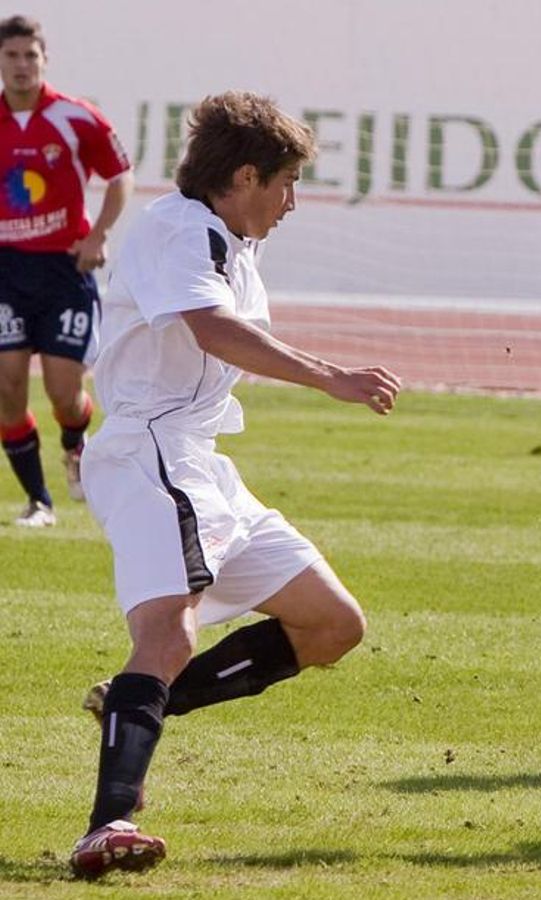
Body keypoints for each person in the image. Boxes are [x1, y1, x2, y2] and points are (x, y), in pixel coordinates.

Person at [67, 92, 402, 879]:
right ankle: (107, 822)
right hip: (151, 452)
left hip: (201, 462)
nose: (292, 201)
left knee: (331, 625)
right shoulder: (179, 230)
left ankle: (137, 705)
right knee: (170, 633)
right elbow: (209, 328)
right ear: (244, 174)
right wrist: (332, 378)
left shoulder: (226, 238)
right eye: (285, 182)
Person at [0, 14, 133, 527]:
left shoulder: (76, 118)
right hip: (6, 273)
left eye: (29, 55)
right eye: (11, 56)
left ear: (44, 59)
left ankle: (75, 446)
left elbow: (120, 175)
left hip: (62, 272)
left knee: (64, 391)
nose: (21, 66)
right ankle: (39, 502)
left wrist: (97, 235)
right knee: (8, 388)